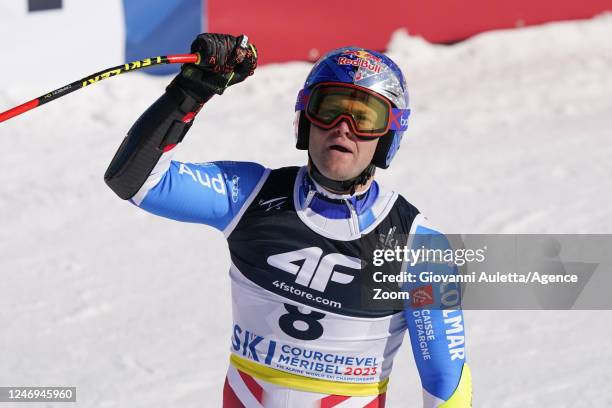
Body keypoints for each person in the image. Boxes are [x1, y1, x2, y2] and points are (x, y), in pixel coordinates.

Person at [104, 33, 472, 407]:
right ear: (305, 120)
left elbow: (446, 383)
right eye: (329, 109)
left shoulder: (417, 247)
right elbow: (134, 180)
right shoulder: (250, 195)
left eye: (364, 118)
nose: (343, 126)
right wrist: (194, 88)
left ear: (388, 136)